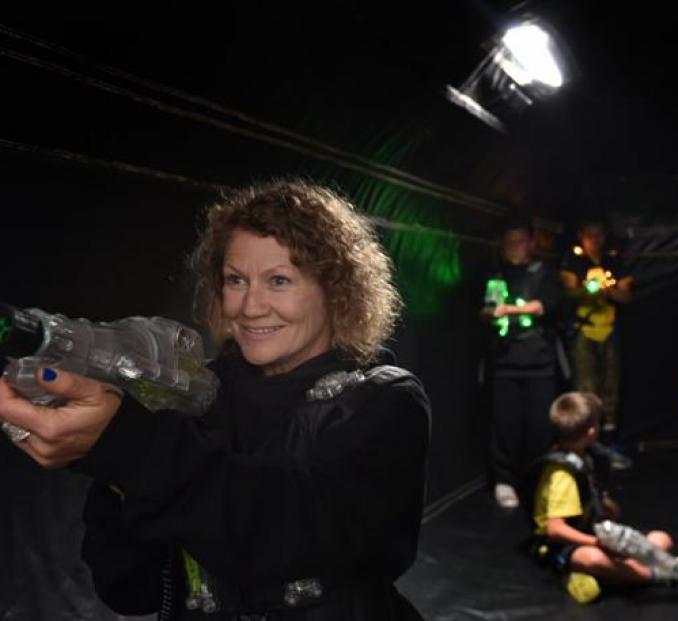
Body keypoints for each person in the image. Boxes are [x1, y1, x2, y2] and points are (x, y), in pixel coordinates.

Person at [0, 179, 431, 620]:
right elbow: (129, 591)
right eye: (235, 280)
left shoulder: (384, 401)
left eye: (279, 280)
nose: (250, 306)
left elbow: (299, 529)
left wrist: (129, 447)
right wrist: (115, 473)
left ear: (336, 291)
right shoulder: (190, 395)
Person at [530, 391, 678, 603]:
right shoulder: (561, 474)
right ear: (592, 431)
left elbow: (589, 490)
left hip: (593, 530)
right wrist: (596, 543)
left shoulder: (588, 456)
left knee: (662, 539)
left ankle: (617, 575)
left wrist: (604, 504)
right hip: (562, 545)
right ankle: (653, 576)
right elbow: (555, 529)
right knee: (594, 559)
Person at [481, 215, 563, 509]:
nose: (513, 248)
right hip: (505, 361)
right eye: (508, 243)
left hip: (539, 363)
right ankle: (504, 481)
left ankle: (537, 479)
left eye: (518, 242)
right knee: (505, 424)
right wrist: (492, 314)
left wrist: (509, 311)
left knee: (539, 427)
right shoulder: (496, 275)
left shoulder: (545, 273)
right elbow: (485, 309)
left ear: (531, 243)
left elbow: (546, 304)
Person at [559, 219, 634, 467]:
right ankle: (585, 448)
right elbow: (568, 292)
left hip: (610, 331)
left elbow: (626, 295)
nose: (595, 239)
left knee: (611, 389)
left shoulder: (614, 261)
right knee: (585, 389)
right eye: (590, 234)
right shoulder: (573, 262)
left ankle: (609, 444)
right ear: (581, 235)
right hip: (584, 331)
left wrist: (607, 292)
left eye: (599, 234)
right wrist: (589, 291)